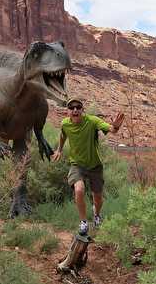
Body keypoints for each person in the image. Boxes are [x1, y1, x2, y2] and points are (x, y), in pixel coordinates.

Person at [52, 98, 125, 235]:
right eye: (71, 107)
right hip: (77, 164)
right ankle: (84, 222)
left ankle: (97, 215)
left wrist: (115, 126)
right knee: (79, 190)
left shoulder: (92, 121)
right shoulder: (65, 124)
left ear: (82, 110)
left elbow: (111, 129)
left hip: (94, 165)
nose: (75, 110)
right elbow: (63, 135)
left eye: (78, 107)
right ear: (68, 111)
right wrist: (59, 150)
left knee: (97, 197)